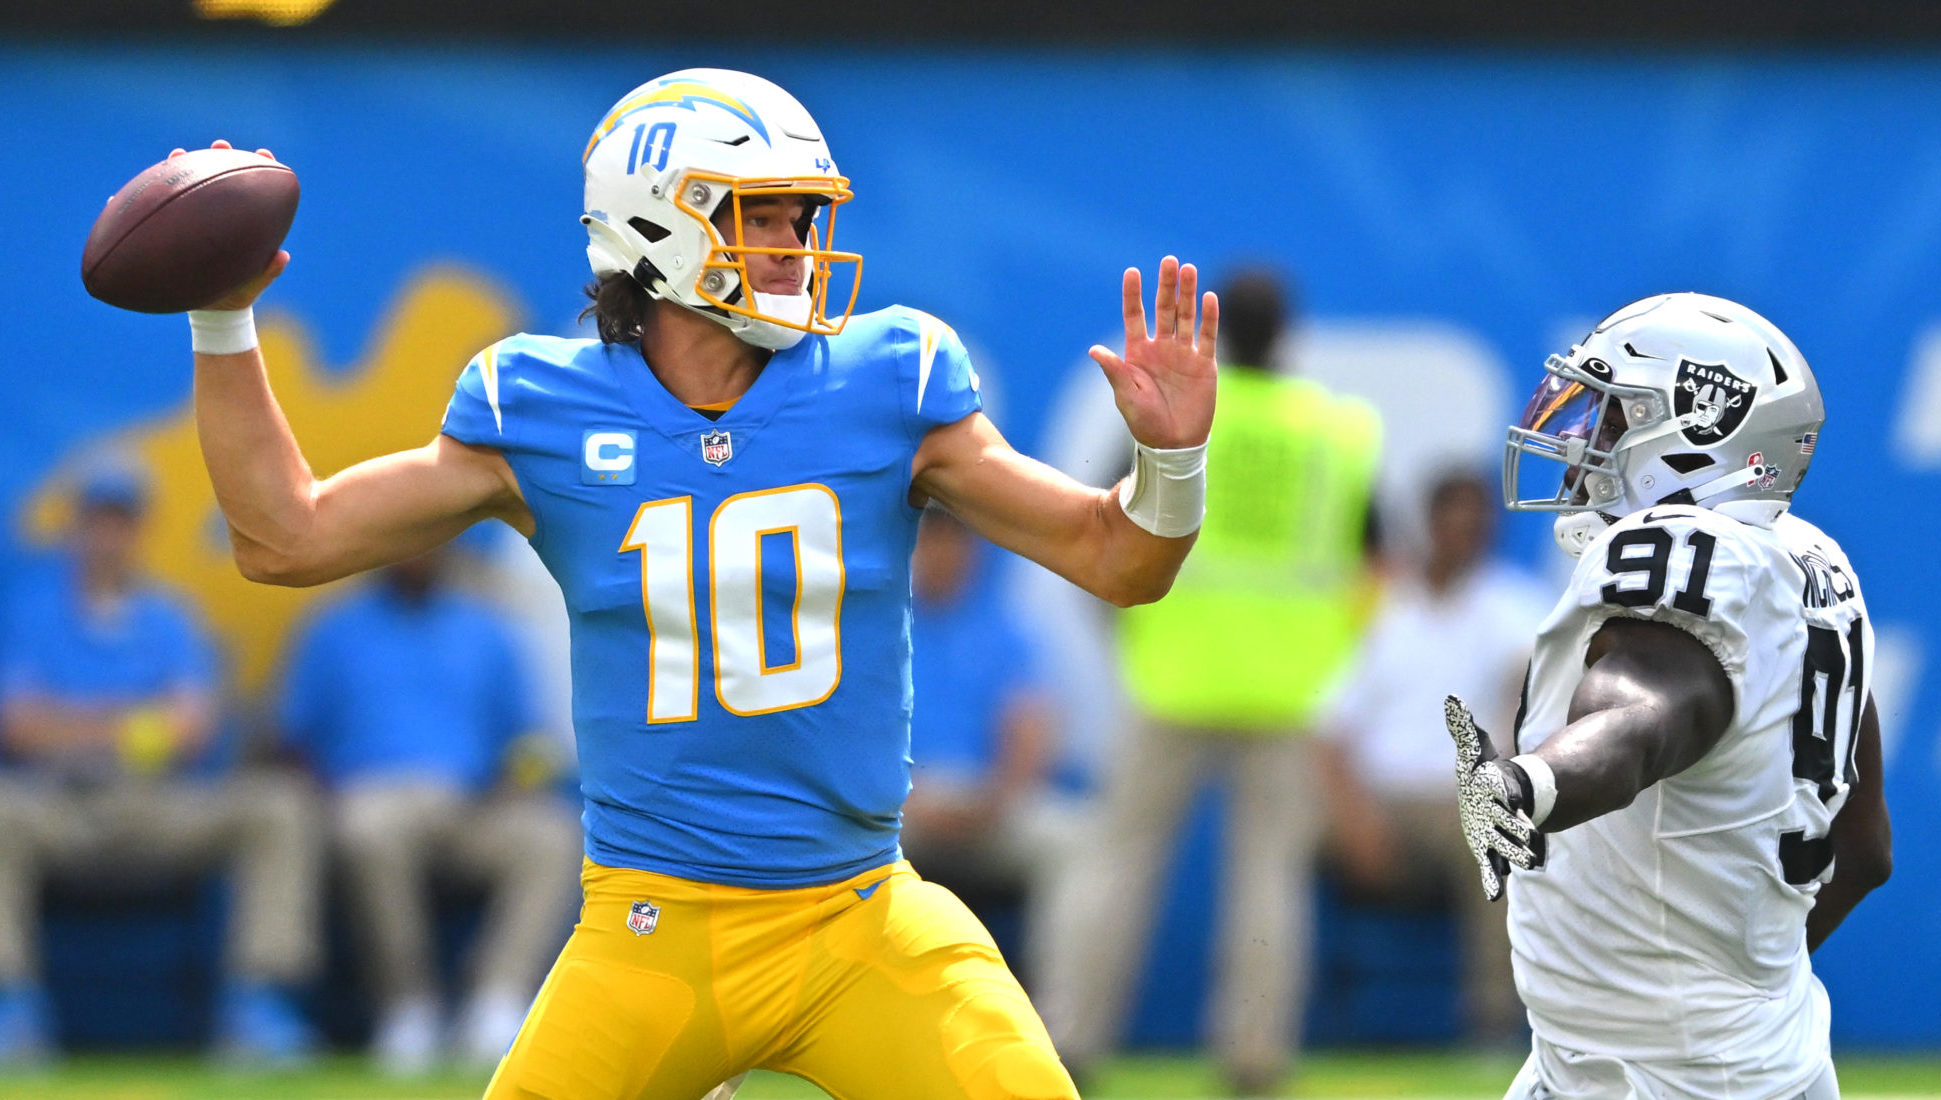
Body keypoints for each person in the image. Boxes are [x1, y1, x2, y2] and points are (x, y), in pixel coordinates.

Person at [177, 66, 1216, 1100]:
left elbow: (1115, 560)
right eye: (761, 216)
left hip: (855, 914)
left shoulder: (886, 380)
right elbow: (286, 539)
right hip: (649, 930)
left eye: (802, 218)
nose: (795, 248)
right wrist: (222, 320)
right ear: (652, 227)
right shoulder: (536, 404)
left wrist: (1168, 462)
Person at [1449, 293, 1891, 1100]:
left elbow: (1639, 714)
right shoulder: (1811, 569)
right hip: (1752, 1054)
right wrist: (1738, 995)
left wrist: (1523, 785)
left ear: (1703, 429)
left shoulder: (1688, 561)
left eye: (1614, 418)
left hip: (1655, 1077)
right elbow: (1866, 853)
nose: (1584, 440)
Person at [1042, 268, 1380, 1096]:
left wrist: (1125, 631)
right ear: (1289, 332)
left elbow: (1113, 530)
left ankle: (1072, 1043)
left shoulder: (1186, 413)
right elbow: (1376, 567)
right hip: (1288, 685)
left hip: (1171, 673)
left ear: (1225, 332)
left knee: (1116, 860)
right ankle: (1255, 1057)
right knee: (1271, 877)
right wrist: (1333, 648)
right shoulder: (1333, 432)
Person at [0, 460, 322, 1066]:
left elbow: (194, 729)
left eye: (120, 521)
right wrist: (136, 723)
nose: (107, 535)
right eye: (97, 520)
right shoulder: (33, 612)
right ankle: (11, 1012)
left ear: (140, 529)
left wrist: (75, 723)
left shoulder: (169, 616)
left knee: (276, 806)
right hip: (61, 809)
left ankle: (257, 1007)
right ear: (76, 528)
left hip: (157, 807)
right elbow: (19, 728)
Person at [278, 547, 581, 1074]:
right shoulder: (335, 628)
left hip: (470, 804)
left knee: (552, 835)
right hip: (373, 797)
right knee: (367, 830)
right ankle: (407, 1008)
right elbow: (291, 739)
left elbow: (530, 742)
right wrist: (324, 792)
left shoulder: (489, 629)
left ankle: (496, 1002)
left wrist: (514, 782)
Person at [1318, 469, 1550, 1046]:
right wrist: (1355, 818)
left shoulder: (1516, 607)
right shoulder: (1383, 609)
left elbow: (1527, 698)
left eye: (1476, 521)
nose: (1464, 533)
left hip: (1461, 800)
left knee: (1494, 839)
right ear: (1428, 524)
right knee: (1275, 840)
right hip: (1376, 800)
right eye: (1452, 518)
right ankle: (1277, 1028)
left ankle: (1491, 1028)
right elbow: (1329, 729)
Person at [902, 506, 1064, 961]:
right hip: (898, 805)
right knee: (844, 845)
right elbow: (850, 741)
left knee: (1072, 847)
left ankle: (1059, 1022)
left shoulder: (1005, 630)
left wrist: (999, 799)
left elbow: (1030, 727)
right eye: (932, 541)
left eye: (956, 541)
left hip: (987, 801)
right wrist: (906, 802)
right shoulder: (879, 627)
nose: (945, 554)